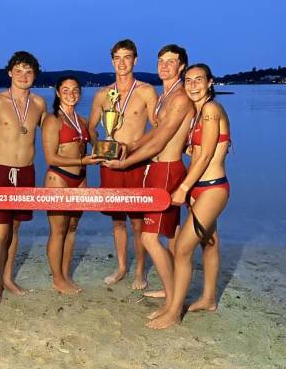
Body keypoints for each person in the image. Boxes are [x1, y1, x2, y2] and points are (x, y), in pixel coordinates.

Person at [104, 44, 194, 321]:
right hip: (157, 169)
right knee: (166, 237)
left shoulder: (179, 98)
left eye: (171, 61)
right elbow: (151, 134)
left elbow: (161, 139)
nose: (165, 65)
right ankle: (171, 292)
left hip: (166, 169)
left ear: (181, 66)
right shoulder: (165, 95)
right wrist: (127, 147)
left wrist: (125, 163)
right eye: (161, 61)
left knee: (149, 237)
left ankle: (173, 308)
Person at [147, 64, 230, 329]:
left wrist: (182, 188)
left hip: (212, 187)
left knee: (182, 249)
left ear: (210, 82)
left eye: (199, 80)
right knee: (210, 243)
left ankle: (173, 311)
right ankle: (208, 298)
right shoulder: (197, 113)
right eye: (189, 80)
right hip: (201, 188)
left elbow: (205, 155)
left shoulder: (210, 110)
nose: (193, 85)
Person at [87, 39, 158, 289]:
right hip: (110, 162)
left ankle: (139, 271)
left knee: (138, 221)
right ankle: (121, 267)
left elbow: (158, 128)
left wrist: (136, 145)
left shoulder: (147, 91)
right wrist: (100, 147)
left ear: (135, 60)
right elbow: (91, 127)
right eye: (117, 58)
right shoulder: (102, 94)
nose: (122, 62)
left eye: (127, 57)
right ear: (112, 61)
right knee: (117, 220)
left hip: (136, 161)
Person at [0, 51, 47, 304]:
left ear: (35, 75)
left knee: (15, 230)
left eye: (29, 71)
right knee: (0, 234)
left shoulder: (39, 104)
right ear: (10, 72)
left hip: (26, 172)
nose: (24, 76)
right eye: (18, 71)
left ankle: (8, 278)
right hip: (0, 171)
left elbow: (55, 131)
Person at [42, 76, 104, 294]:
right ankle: (57, 279)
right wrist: (81, 161)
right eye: (66, 89)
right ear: (58, 92)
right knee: (58, 230)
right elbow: (50, 157)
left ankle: (65, 274)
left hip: (80, 178)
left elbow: (91, 148)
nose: (71, 93)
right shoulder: (53, 120)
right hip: (58, 178)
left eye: (75, 89)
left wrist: (110, 149)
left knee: (72, 228)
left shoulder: (82, 120)